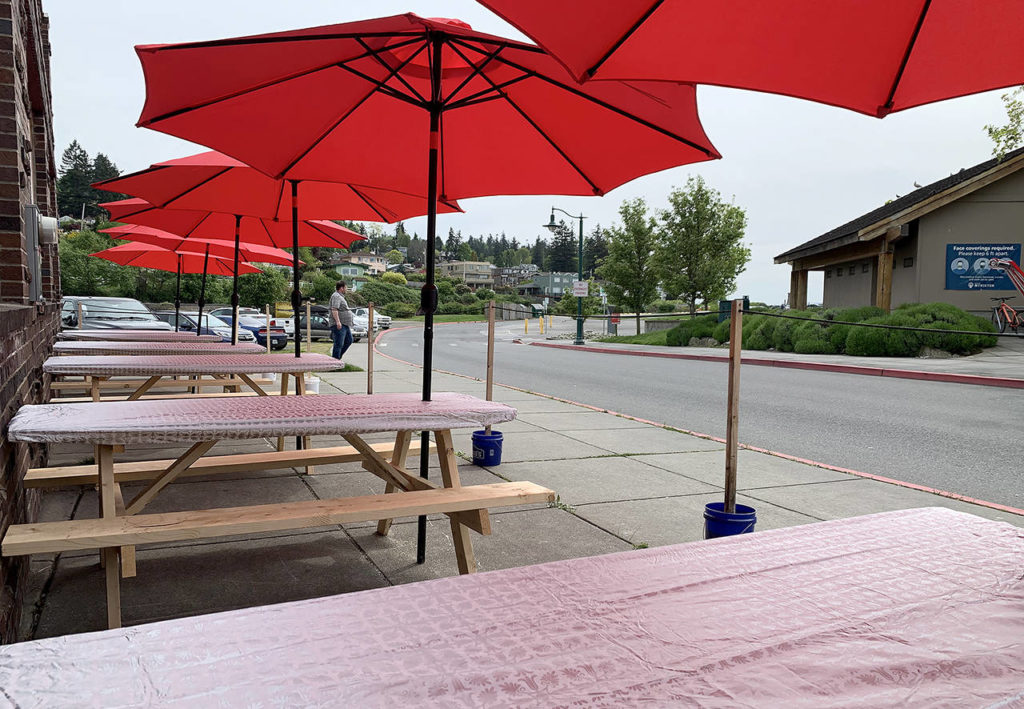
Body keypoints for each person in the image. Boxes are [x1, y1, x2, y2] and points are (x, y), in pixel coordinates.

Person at [329, 280, 353, 362]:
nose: (346, 289)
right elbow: (334, 309)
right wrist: (338, 322)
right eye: (346, 287)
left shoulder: (340, 296)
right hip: (339, 324)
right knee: (339, 344)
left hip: (345, 324)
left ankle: (338, 359)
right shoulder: (336, 296)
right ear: (341, 288)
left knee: (349, 340)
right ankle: (334, 362)